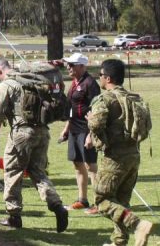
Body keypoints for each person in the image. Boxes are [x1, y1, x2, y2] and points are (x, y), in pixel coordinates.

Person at [0, 56, 68, 233]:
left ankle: (14, 216)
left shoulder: (7, 85)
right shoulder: (30, 79)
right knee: (38, 172)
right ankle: (56, 205)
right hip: (42, 132)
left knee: (13, 172)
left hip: (21, 133)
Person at [86, 59, 153, 246]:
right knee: (121, 201)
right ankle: (119, 241)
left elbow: (97, 124)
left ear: (107, 78)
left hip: (114, 158)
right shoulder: (134, 98)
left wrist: (90, 119)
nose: (98, 78)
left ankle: (138, 224)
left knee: (102, 201)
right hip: (133, 155)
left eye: (100, 75)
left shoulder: (105, 99)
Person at [59, 52, 100, 213]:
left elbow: (96, 110)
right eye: (68, 64)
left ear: (82, 66)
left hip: (87, 130)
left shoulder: (90, 83)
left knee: (91, 166)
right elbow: (72, 109)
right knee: (77, 164)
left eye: (72, 64)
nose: (68, 67)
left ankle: (100, 203)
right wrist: (66, 129)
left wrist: (91, 134)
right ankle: (82, 200)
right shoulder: (74, 83)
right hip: (75, 129)